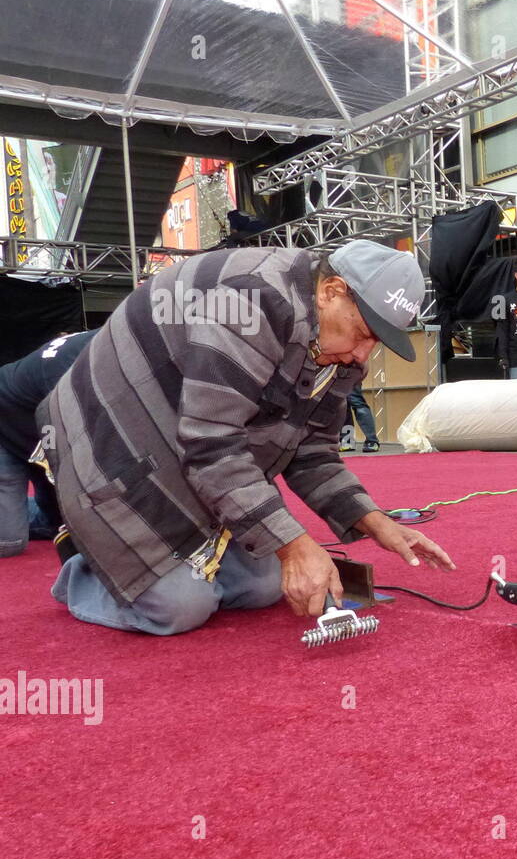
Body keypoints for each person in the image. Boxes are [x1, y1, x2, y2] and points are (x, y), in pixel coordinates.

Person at [37, 240, 456, 636]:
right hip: (113, 441)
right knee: (179, 608)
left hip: (185, 443)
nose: (363, 355)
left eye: (376, 342)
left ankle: (179, 561)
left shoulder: (337, 350)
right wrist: (292, 545)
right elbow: (212, 444)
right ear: (331, 291)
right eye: (364, 333)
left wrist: (375, 521)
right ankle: (86, 567)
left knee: (264, 588)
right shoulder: (249, 302)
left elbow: (312, 452)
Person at [0, 330, 94, 558]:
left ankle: (25, 511)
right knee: (9, 543)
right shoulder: (73, 370)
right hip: (6, 429)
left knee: (59, 523)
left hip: (39, 436)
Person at [341, 381, 381, 453]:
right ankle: (347, 441)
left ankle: (372, 440)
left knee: (356, 401)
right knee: (343, 405)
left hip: (351, 372)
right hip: (336, 373)